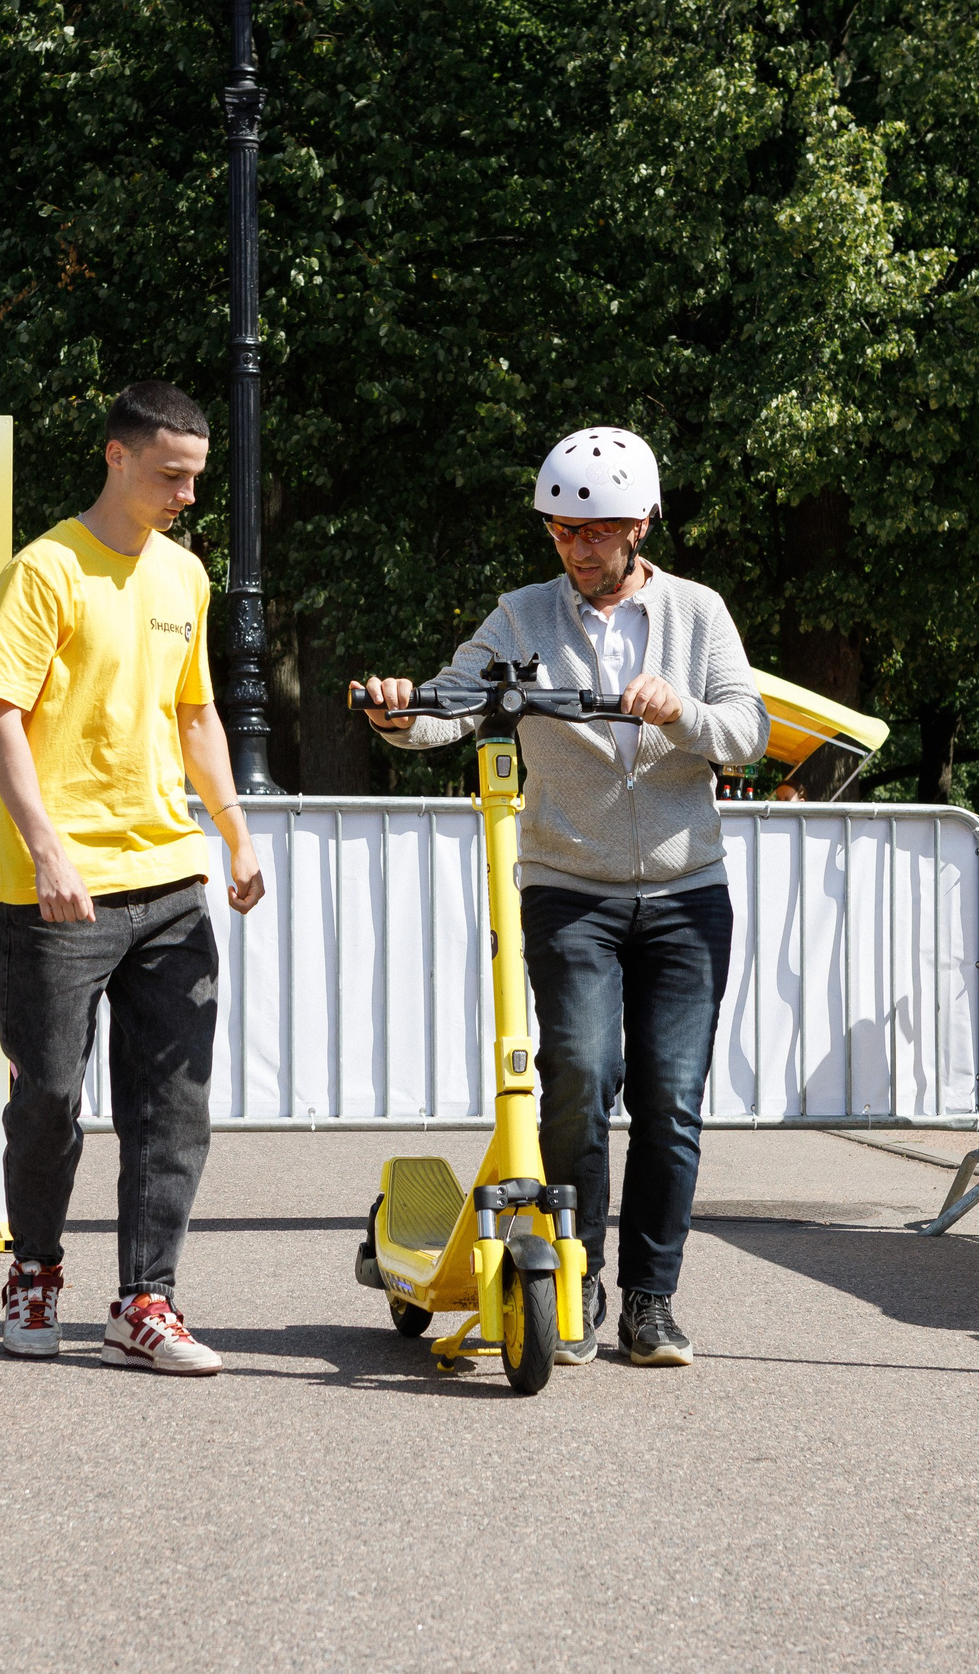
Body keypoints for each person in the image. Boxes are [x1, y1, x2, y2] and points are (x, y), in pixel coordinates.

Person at [357, 426, 767, 1367]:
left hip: (683, 888)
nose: (579, 550)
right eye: (562, 533)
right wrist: (397, 708)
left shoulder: (699, 613)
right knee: (579, 1075)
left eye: (599, 533)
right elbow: (457, 700)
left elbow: (746, 728)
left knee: (671, 1099)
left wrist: (683, 712)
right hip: (568, 884)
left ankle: (651, 1301)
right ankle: (570, 1274)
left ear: (641, 526)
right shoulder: (521, 615)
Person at [0, 379, 267, 1375]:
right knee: (50, 1100)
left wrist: (232, 829)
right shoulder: (45, 570)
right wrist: (49, 848)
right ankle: (34, 1268)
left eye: (195, 478)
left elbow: (195, 716)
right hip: (57, 893)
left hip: (169, 880)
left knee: (173, 1104)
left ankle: (147, 1299)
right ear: (116, 456)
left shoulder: (184, 578)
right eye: (170, 475)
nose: (187, 493)